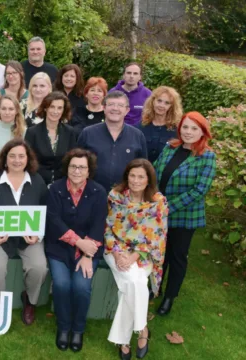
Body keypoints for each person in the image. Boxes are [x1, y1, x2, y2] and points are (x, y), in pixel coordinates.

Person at [0, 138, 48, 325]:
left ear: (28, 158)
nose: (17, 160)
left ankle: (30, 301)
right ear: (5, 158)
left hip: (28, 237)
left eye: (21, 156)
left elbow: (46, 211)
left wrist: (38, 234)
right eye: (12, 156)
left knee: (39, 268)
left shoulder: (37, 181)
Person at [153, 112, 216, 316]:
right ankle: (156, 287)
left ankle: (170, 297)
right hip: (160, 211)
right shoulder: (170, 147)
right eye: (185, 127)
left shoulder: (206, 156)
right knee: (160, 254)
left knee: (177, 256)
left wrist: (167, 206)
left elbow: (199, 190)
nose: (188, 132)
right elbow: (155, 172)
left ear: (202, 132)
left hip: (184, 216)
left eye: (194, 128)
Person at [104, 159, 168, 360]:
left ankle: (124, 339)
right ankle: (143, 330)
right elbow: (107, 228)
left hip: (144, 254)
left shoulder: (157, 201)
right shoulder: (115, 196)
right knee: (134, 282)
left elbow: (157, 235)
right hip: (116, 251)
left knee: (134, 281)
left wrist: (133, 256)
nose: (136, 180)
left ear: (148, 179)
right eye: (132, 175)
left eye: (141, 176)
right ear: (126, 176)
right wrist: (116, 253)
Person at [45, 149, 108, 352]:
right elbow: (54, 221)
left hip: (90, 249)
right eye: (73, 166)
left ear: (89, 171)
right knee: (62, 285)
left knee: (82, 287)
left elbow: (99, 225)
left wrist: (88, 254)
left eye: (82, 167)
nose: (77, 171)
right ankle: (63, 327)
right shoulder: (55, 189)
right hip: (59, 248)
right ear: (67, 168)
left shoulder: (98, 192)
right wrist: (78, 242)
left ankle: (78, 329)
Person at [77, 91, 147, 191]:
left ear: (127, 110)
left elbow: (143, 169)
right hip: (91, 194)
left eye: (120, 105)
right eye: (111, 104)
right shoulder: (87, 133)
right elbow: (76, 164)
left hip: (126, 196)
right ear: (104, 108)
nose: (115, 108)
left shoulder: (138, 136)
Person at [25, 92, 78, 185]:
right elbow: (28, 160)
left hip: (63, 184)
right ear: (45, 108)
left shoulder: (70, 132)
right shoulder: (32, 132)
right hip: (38, 183)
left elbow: (72, 159)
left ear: (64, 110)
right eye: (52, 107)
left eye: (59, 108)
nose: (55, 111)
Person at [138, 86, 182, 163]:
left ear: (171, 106)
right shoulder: (139, 127)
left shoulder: (178, 130)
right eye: (159, 101)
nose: (161, 105)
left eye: (167, 103)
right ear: (153, 101)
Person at [0, 94, 27, 172]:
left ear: (16, 111)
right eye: (3, 109)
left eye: (11, 109)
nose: (7, 112)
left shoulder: (24, 131)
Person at [110, 62, 152, 126]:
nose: (131, 76)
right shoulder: (112, 93)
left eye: (135, 73)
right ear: (123, 75)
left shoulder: (148, 95)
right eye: (129, 73)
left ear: (140, 77)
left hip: (139, 133)